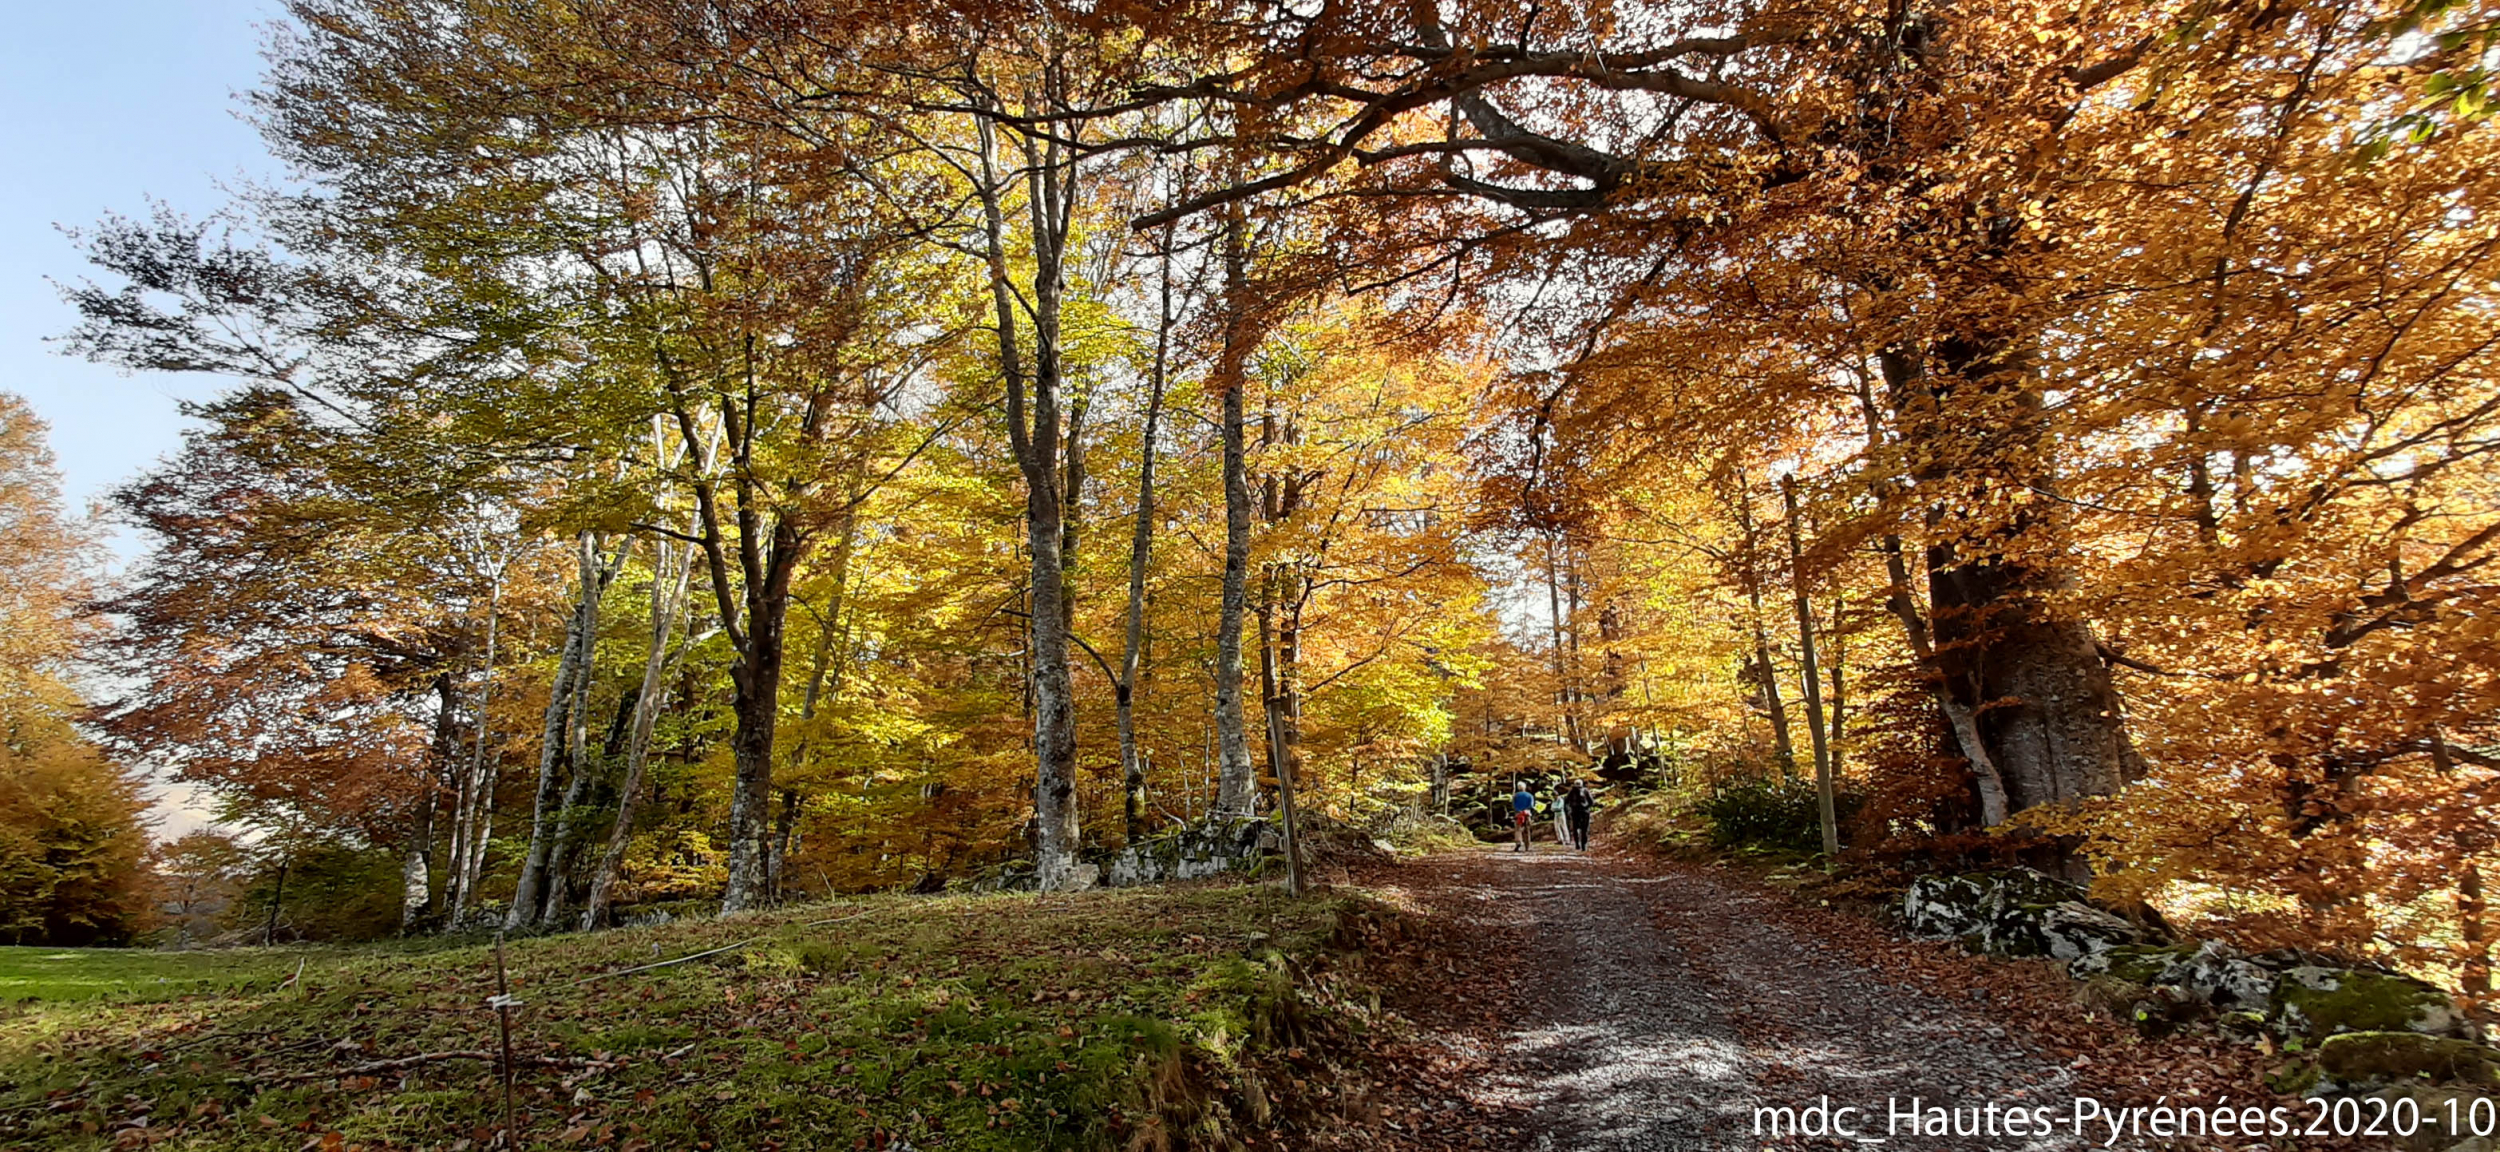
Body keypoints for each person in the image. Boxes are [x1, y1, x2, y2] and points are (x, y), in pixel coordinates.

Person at [1566, 781, 1596, 851]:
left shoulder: (1585, 791)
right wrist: (1569, 809)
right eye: (1577, 784)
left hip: (1584, 812)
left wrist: (1586, 807)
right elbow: (1566, 801)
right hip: (1576, 812)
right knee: (1576, 828)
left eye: (1579, 784)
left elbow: (1591, 801)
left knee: (1584, 829)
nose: (1578, 786)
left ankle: (1583, 844)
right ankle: (1578, 844)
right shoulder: (1572, 791)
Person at [1511, 782, 1536, 852]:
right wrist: (1525, 810)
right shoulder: (1530, 795)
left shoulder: (1515, 796)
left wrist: (1518, 810)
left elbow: (1513, 805)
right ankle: (1527, 846)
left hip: (1518, 814)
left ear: (1518, 788)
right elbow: (1531, 805)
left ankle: (1518, 842)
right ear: (1525, 787)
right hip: (1527, 814)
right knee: (1527, 830)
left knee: (1518, 829)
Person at [1551, 779, 1574, 848]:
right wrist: (1554, 808)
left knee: (1563, 826)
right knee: (1556, 827)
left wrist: (1554, 808)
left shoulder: (1560, 800)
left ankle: (1567, 840)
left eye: (1555, 796)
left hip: (1561, 813)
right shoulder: (1554, 801)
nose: (1554, 797)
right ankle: (1560, 839)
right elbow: (1552, 807)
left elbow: (1560, 807)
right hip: (1556, 814)